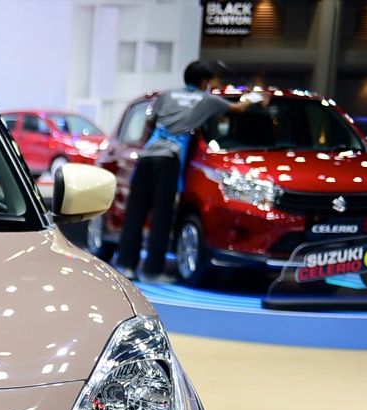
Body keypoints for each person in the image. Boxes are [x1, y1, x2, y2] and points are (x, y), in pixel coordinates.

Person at [114, 60, 269, 283]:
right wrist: (253, 96)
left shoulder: (167, 95)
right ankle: (152, 272)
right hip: (169, 159)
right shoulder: (207, 99)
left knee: (135, 213)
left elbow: (151, 120)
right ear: (204, 81)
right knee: (162, 217)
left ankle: (126, 266)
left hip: (147, 156)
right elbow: (238, 108)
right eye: (211, 81)